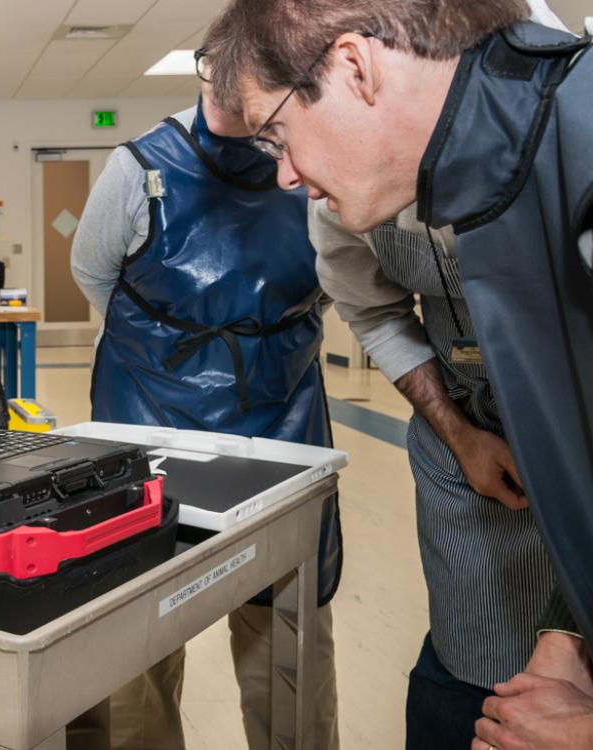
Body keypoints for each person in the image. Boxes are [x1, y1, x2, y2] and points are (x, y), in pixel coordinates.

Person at [203, 0, 593, 746]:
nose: (284, 175)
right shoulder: (480, 158)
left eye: (279, 132)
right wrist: (564, 631)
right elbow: (371, 308)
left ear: (356, 67)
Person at [70, 19, 342, 749]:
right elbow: (93, 274)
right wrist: (172, 346)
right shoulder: (137, 170)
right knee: (138, 625)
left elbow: (343, 277)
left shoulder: (308, 158)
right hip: (149, 409)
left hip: (278, 414)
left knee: (286, 621)